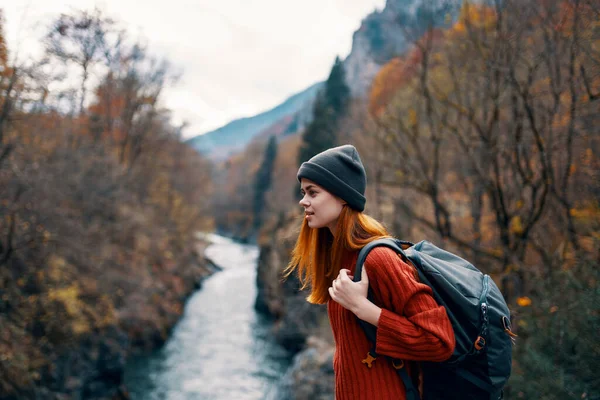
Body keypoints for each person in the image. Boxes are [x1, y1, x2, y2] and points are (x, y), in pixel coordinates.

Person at [285, 144, 456, 400]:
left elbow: (439, 341)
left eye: (313, 192)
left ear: (342, 196)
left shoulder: (379, 259)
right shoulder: (339, 255)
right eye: (303, 192)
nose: (303, 201)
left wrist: (365, 310)